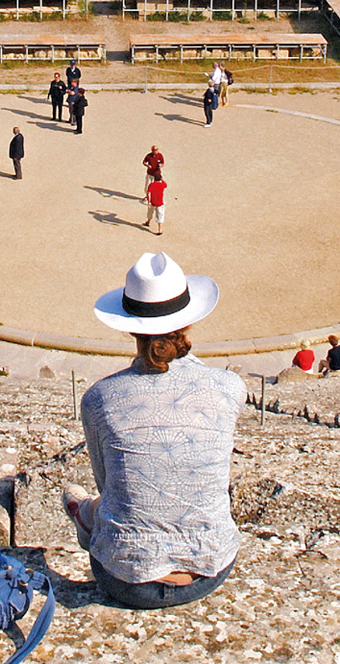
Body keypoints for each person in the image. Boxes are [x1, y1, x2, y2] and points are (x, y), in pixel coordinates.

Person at [66, 253, 239, 610]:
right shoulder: (229, 388)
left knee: (102, 499)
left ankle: (86, 516)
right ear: (189, 323)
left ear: (130, 328)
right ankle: (86, 514)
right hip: (212, 569)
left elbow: (108, 484)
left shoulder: (100, 398)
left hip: (125, 579)